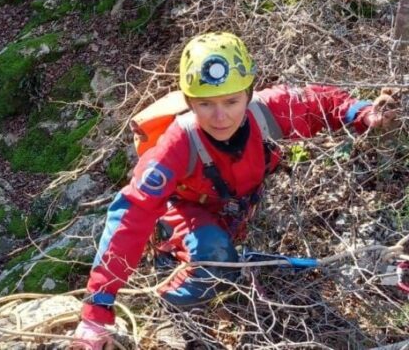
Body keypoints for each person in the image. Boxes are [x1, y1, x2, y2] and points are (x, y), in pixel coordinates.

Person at [71, 32, 398, 350]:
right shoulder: (175, 145)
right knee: (214, 252)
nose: (220, 115)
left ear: (248, 93)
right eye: (205, 104)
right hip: (182, 218)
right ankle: (174, 304)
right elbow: (131, 215)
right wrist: (96, 311)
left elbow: (319, 104)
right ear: (189, 103)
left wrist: (364, 113)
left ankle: (227, 267)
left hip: (235, 216)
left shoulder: (265, 112)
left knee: (228, 258)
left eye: (231, 101)